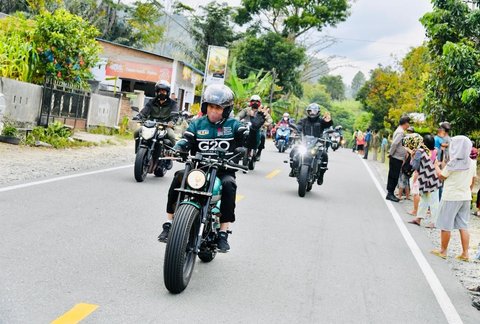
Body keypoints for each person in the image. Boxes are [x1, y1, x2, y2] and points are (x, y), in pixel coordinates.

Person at [157, 84, 265, 252]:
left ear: (226, 110)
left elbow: (250, 143)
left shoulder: (234, 125)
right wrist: (179, 148)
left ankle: (223, 232)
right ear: (205, 106)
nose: (214, 111)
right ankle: (169, 223)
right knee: (178, 177)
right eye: (211, 106)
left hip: (223, 170)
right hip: (198, 169)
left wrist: (255, 130)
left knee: (229, 185)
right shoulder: (197, 124)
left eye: (218, 108)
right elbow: (186, 140)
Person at [431, 136, 476, 261]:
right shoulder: (472, 162)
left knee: (446, 224)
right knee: (463, 225)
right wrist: (468, 191)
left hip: (451, 196)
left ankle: (443, 251)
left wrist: (435, 165)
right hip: (465, 197)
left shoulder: (454, 162)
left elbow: (441, 176)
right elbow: (472, 180)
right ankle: (465, 253)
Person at [288, 103, 332, 185]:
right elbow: (298, 127)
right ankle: (293, 169)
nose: (312, 113)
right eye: (310, 111)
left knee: (324, 155)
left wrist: (329, 121)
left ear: (318, 112)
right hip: (305, 143)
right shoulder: (303, 121)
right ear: (308, 112)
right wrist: (295, 130)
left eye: (314, 111)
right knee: (294, 151)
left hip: (317, 143)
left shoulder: (321, 121)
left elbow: (327, 125)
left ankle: (321, 175)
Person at [406, 134, 441, 228]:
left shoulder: (419, 152)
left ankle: (428, 221)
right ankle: (426, 220)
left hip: (425, 178)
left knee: (425, 199)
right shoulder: (434, 151)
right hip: (434, 178)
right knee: (434, 200)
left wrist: (412, 155)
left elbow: (415, 166)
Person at [133, 80, 178, 150]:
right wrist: (139, 116)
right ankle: (138, 150)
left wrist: (172, 121)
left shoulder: (173, 103)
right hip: (151, 125)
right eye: (160, 91)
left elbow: (175, 114)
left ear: (167, 92)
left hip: (165, 126)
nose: (161, 93)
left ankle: (173, 152)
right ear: (157, 92)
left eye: (163, 91)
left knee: (171, 135)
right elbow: (145, 111)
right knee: (137, 132)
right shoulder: (152, 102)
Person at [236, 95, 272, 161]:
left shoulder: (262, 111)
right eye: (253, 101)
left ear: (260, 102)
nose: (255, 103)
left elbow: (269, 120)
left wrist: (264, 124)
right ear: (250, 102)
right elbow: (238, 116)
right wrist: (237, 121)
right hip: (247, 127)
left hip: (259, 129)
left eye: (257, 101)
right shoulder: (246, 110)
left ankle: (259, 152)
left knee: (263, 136)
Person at [386, 116, 410, 202]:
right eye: (408, 123)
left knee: (393, 175)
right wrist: (390, 153)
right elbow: (394, 144)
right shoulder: (401, 132)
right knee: (394, 175)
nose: (409, 125)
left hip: (397, 157)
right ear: (405, 123)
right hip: (396, 157)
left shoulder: (400, 130)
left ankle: (390, 193)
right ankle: (390, 193)